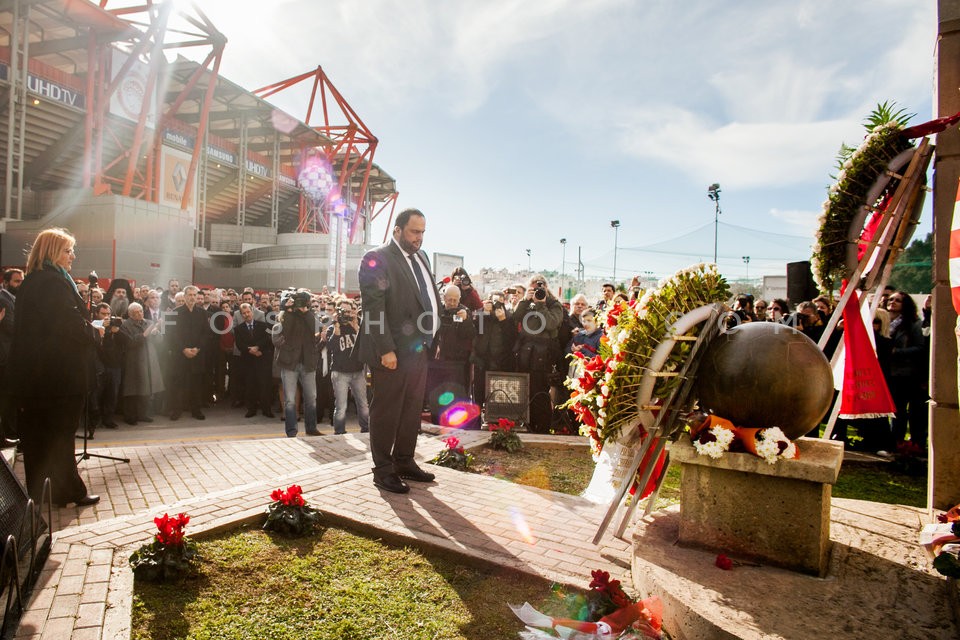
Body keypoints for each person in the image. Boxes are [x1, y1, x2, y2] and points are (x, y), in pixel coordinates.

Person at [6, 227, 100, 507]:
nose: (73, 255)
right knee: (60, 433)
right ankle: (70, 491)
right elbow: (68, 326)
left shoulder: (34, 280)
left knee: (38, 435)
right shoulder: (53, 282)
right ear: (52, 253)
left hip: (36, 376)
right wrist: (94, 333)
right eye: (67, 250)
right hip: (58, 376)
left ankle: (41, 493)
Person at [358, 208, 440, 494]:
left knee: (410, 410)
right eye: (414, 232)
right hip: (391, 352)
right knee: (387, 410)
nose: (419, 238)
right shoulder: (377, 258)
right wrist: (385, 349)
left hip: (419, 350)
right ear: (397, 230)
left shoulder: (421, 257)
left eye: (422, 232)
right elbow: (373, 308)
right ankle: (383, 470)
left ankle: (404, 461)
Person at [512, 274, 564, 433]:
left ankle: (542, 429)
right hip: (525, 354)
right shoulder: (528, 302)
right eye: (534, 289)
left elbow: (551, 323)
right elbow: (516, 316)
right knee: (524, 392)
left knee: (540, 394)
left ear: (547, 288)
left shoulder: (554, 304)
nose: (538, 292)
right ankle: (527, 426)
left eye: (541, 288)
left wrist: (541, 305)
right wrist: (525, 300)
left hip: (544, 357)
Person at [272, 290, 321, 437]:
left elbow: (316, 330)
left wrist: (306, 312)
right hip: (289, 363)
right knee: (290, 400)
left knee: (311, 398)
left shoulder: (311, 315)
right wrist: (288, 310)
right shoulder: (285, 315)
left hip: (308, 362)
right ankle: (291, 431)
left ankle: (311, 429)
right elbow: (284, 332)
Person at [428, 284, 475, 425]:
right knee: (436, 397)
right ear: (444, 298)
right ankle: (436, 424)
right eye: (450, 300)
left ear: (460, 299)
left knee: (456, 399)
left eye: (455, 300)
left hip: (457, 364)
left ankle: (455, 428)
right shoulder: (438, 310)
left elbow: (470, 335)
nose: (453, 303)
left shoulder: (464, 312)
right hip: (437, 363)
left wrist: (466, 321)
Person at [886, 292, 928, 450]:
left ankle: (916, 442)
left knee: (913, 411)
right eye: (891, 299)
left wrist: (898, 352)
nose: (893, 302)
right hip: (892, 373)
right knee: (896, 410)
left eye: (898, 300)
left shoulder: (914, 324)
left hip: (909, 374)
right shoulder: (884, 321)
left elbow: (920, 348)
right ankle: (896, 439)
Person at [326, 297, 369, 435]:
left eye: (350, 311)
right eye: (344, 311)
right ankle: (339, 432)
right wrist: (337, 327)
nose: (347, 314)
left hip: (357, 371)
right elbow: (331, 347)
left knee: (363, 404)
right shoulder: (333, 327)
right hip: (340, 372)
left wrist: (356, 325)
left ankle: (366, 430)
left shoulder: (359, 325)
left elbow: (367, 344)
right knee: (341, 406)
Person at [118, 302, 164, 425]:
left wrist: (155, 333)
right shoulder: (125, 325)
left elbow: (159, 341)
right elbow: (130, 342)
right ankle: (130, 416)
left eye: (141, 311)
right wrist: (145, 333)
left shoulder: (148, 322)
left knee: (146, 389)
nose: (140, 314)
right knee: (132, 390)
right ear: (130, 314)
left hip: (149, 358)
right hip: (133, 360)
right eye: (136, 312)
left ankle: (143, 414)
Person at [169, 285, 210, 420]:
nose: (192, 297)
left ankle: (196, 410)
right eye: (190, 295)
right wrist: (184, 349)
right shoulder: (175, 312)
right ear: (185, 296)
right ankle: (176, 410)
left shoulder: (203, 313)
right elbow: (172, 335)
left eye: (194, 295)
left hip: (197, 354)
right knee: (179, 384)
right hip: (180, 355)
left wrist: (197, 348)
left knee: (196, 384)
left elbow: (205, 333)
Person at [234, 303, 275, 418]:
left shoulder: (263, 325)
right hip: (248, 361)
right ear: (241, 315)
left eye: (248, 312)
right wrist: (250, 350)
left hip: (262, 359)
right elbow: (239, 344)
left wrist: (258, 347)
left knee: (265, 385)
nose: (247, 315)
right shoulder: (238, 329)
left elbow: (268, 339)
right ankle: (251, 409)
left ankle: (266, 410)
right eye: (244, 313)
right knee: (250, 386)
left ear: (252, 312)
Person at [0, 268, 22, 445]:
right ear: (6, 282)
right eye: (17, 281)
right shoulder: (3, 299)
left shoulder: (13, 299)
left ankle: (7, 434)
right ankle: (6, 434)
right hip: (4, 356)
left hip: (10, 356)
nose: (20, 284)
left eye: (22, 281)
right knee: (5, 398)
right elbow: (11, 327)